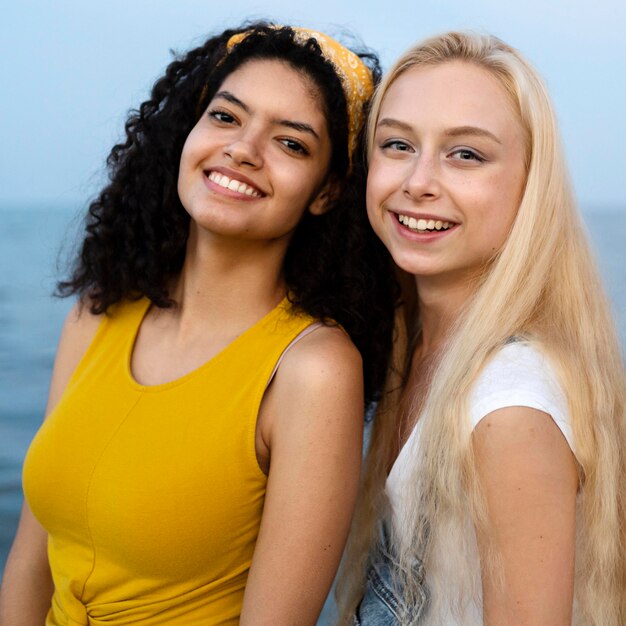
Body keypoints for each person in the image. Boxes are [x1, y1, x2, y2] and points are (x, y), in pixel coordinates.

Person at [0, 23, 397, 625]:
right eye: (226, 117)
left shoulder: (312, 370)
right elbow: (32, 561)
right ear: (187, 131)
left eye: (291, 144)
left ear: (325, 193)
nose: (243, 149)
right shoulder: (100, 311)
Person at [337, 31, 626, 626]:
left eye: (465, 154)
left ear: (529, 186)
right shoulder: (413, 345)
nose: (418, 181)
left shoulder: (508, 409)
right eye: (397, 144)